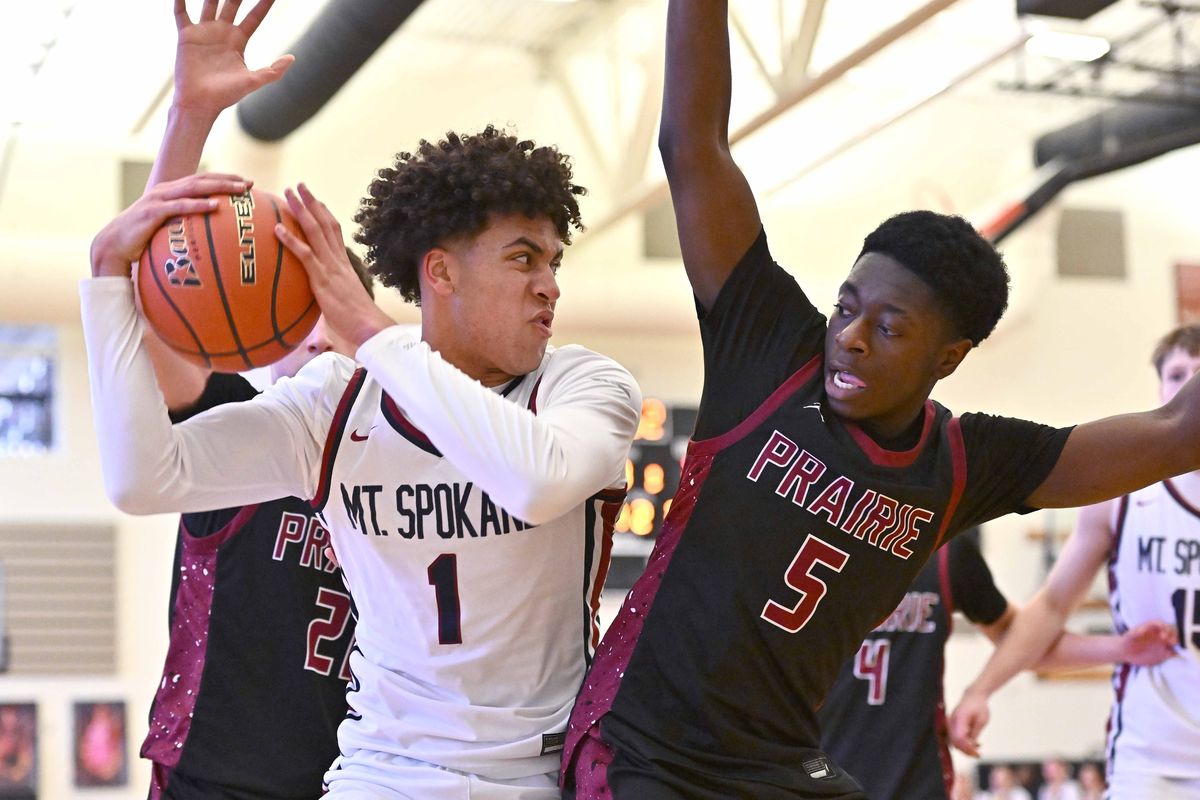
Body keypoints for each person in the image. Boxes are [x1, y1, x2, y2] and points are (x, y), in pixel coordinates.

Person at [560, 1, 1183, 797]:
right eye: (847, 304)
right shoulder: (773, 351)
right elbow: (693, 148)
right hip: (645, 750)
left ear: (949, 357)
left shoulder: (960, 462)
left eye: (888, 328)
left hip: (779, 765)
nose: (849, 336)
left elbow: (1175, 431)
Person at [82, 9, 642, 800]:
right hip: (376, 776)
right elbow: (142, 479)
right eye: (524, 259)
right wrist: (110, 276)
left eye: (553, 260)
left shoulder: (585, 385)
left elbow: (537, 481)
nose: (550, 282)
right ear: (439, 273)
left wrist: (377, 334)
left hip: (530, 779)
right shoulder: (334, 404)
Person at [118, 3, 369, 797]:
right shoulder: (236, 417)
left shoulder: (412, 442)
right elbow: (148, 298)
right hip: (211, 779)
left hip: (361, 779)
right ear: (275, 338)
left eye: (339, 312)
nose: (325, 338)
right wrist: (189, 118)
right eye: (306, 318)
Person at [950, 325, 1200, 800]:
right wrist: (981, 688)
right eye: (1176, 373)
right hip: (1152, 759)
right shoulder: (1124, 494)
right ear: (1161, 391)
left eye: (1198, 374)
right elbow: (1051, 606)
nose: (1188, 383)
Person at [817, 534, 1166, 800]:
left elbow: (1028, 641)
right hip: (816, 777)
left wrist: (1119, 647)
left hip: (917, 780)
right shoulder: (797, 544)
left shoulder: (944, 552)